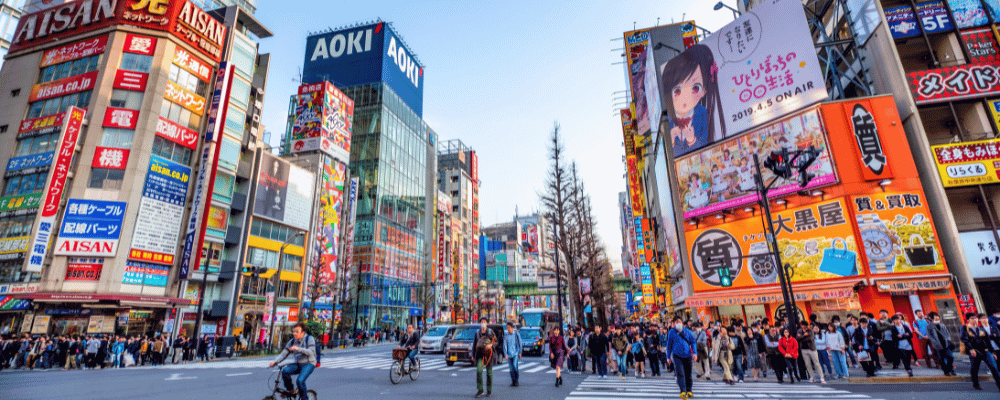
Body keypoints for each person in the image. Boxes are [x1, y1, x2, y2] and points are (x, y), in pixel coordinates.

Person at [269, 323, 317, 400]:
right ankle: (290, 390)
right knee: (285, 371)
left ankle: (305, 399)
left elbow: (311, 352)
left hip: (309, 364)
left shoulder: (309, 339)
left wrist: (298, 349)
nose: (294, 333)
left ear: (303, 332)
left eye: (297, 331)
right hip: (298, 363)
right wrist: (275, 362)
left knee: (300, 380)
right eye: (294, 331)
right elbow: (283, 354)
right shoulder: (291, 342)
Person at [961, 314, 1000, 391]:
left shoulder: (981, 328)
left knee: (994, 368)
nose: (974, 320)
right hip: (975, 352)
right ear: (968, 320)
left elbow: (987, 341)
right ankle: (975, 383)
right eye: (972, 318)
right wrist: (971, 349)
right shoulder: (965, 328)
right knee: (975, 369)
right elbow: (964, 339)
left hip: (985, 351)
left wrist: (993, 352)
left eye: (975, 318)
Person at [665, 317, 696, 399]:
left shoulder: (687, 331)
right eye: (676, 322)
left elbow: (693, 342)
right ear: (674, 323)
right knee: (680, 373)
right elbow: (669, 345)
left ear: (682, 323)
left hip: (688, 355)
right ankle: (683, 391)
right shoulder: (671, 332)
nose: (678, 323)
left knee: (688, 373)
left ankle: (689, 390)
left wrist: (695, 353)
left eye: (679, 321)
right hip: (677, 356)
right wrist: (668, 357)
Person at [473, 317, 497, 398]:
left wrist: (491, 345)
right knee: (479, 371)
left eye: (484, 322)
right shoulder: (477, 332)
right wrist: (473, 355)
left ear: (487, 323)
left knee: (489, 373)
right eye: (482, 322)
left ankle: (489, 390)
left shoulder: (490, 331)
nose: (483, 323)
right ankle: (480, 390)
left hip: (489, 354)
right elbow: (474, 344)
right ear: (480, 323)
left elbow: (496, 341)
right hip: (480, 354)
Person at [926, 312, 955, 376]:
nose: (937, 319)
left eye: (937, 317)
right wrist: (935, 342)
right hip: (937, 345)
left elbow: (947, 333)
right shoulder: (929, 326)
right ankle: (946, 371)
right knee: (941, 359)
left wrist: (948, 340)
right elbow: (930, 336)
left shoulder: (942, 325)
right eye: (935, 317)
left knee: (951, 357)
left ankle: (950, 369)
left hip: (946, 344)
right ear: (931, 318)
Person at [503, 322, 523, 387]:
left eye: (509, 327)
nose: (508, 329)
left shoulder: (516, 334)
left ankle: (516, 380)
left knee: (515, 366)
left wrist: (520, 352)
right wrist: (505, 354)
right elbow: (504, 345)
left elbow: (520, 344)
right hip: (509, 354)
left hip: (515, 353)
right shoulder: (506, 335)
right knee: (511, 369)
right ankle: (513, 381)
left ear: (512, 328)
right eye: (507, 327)